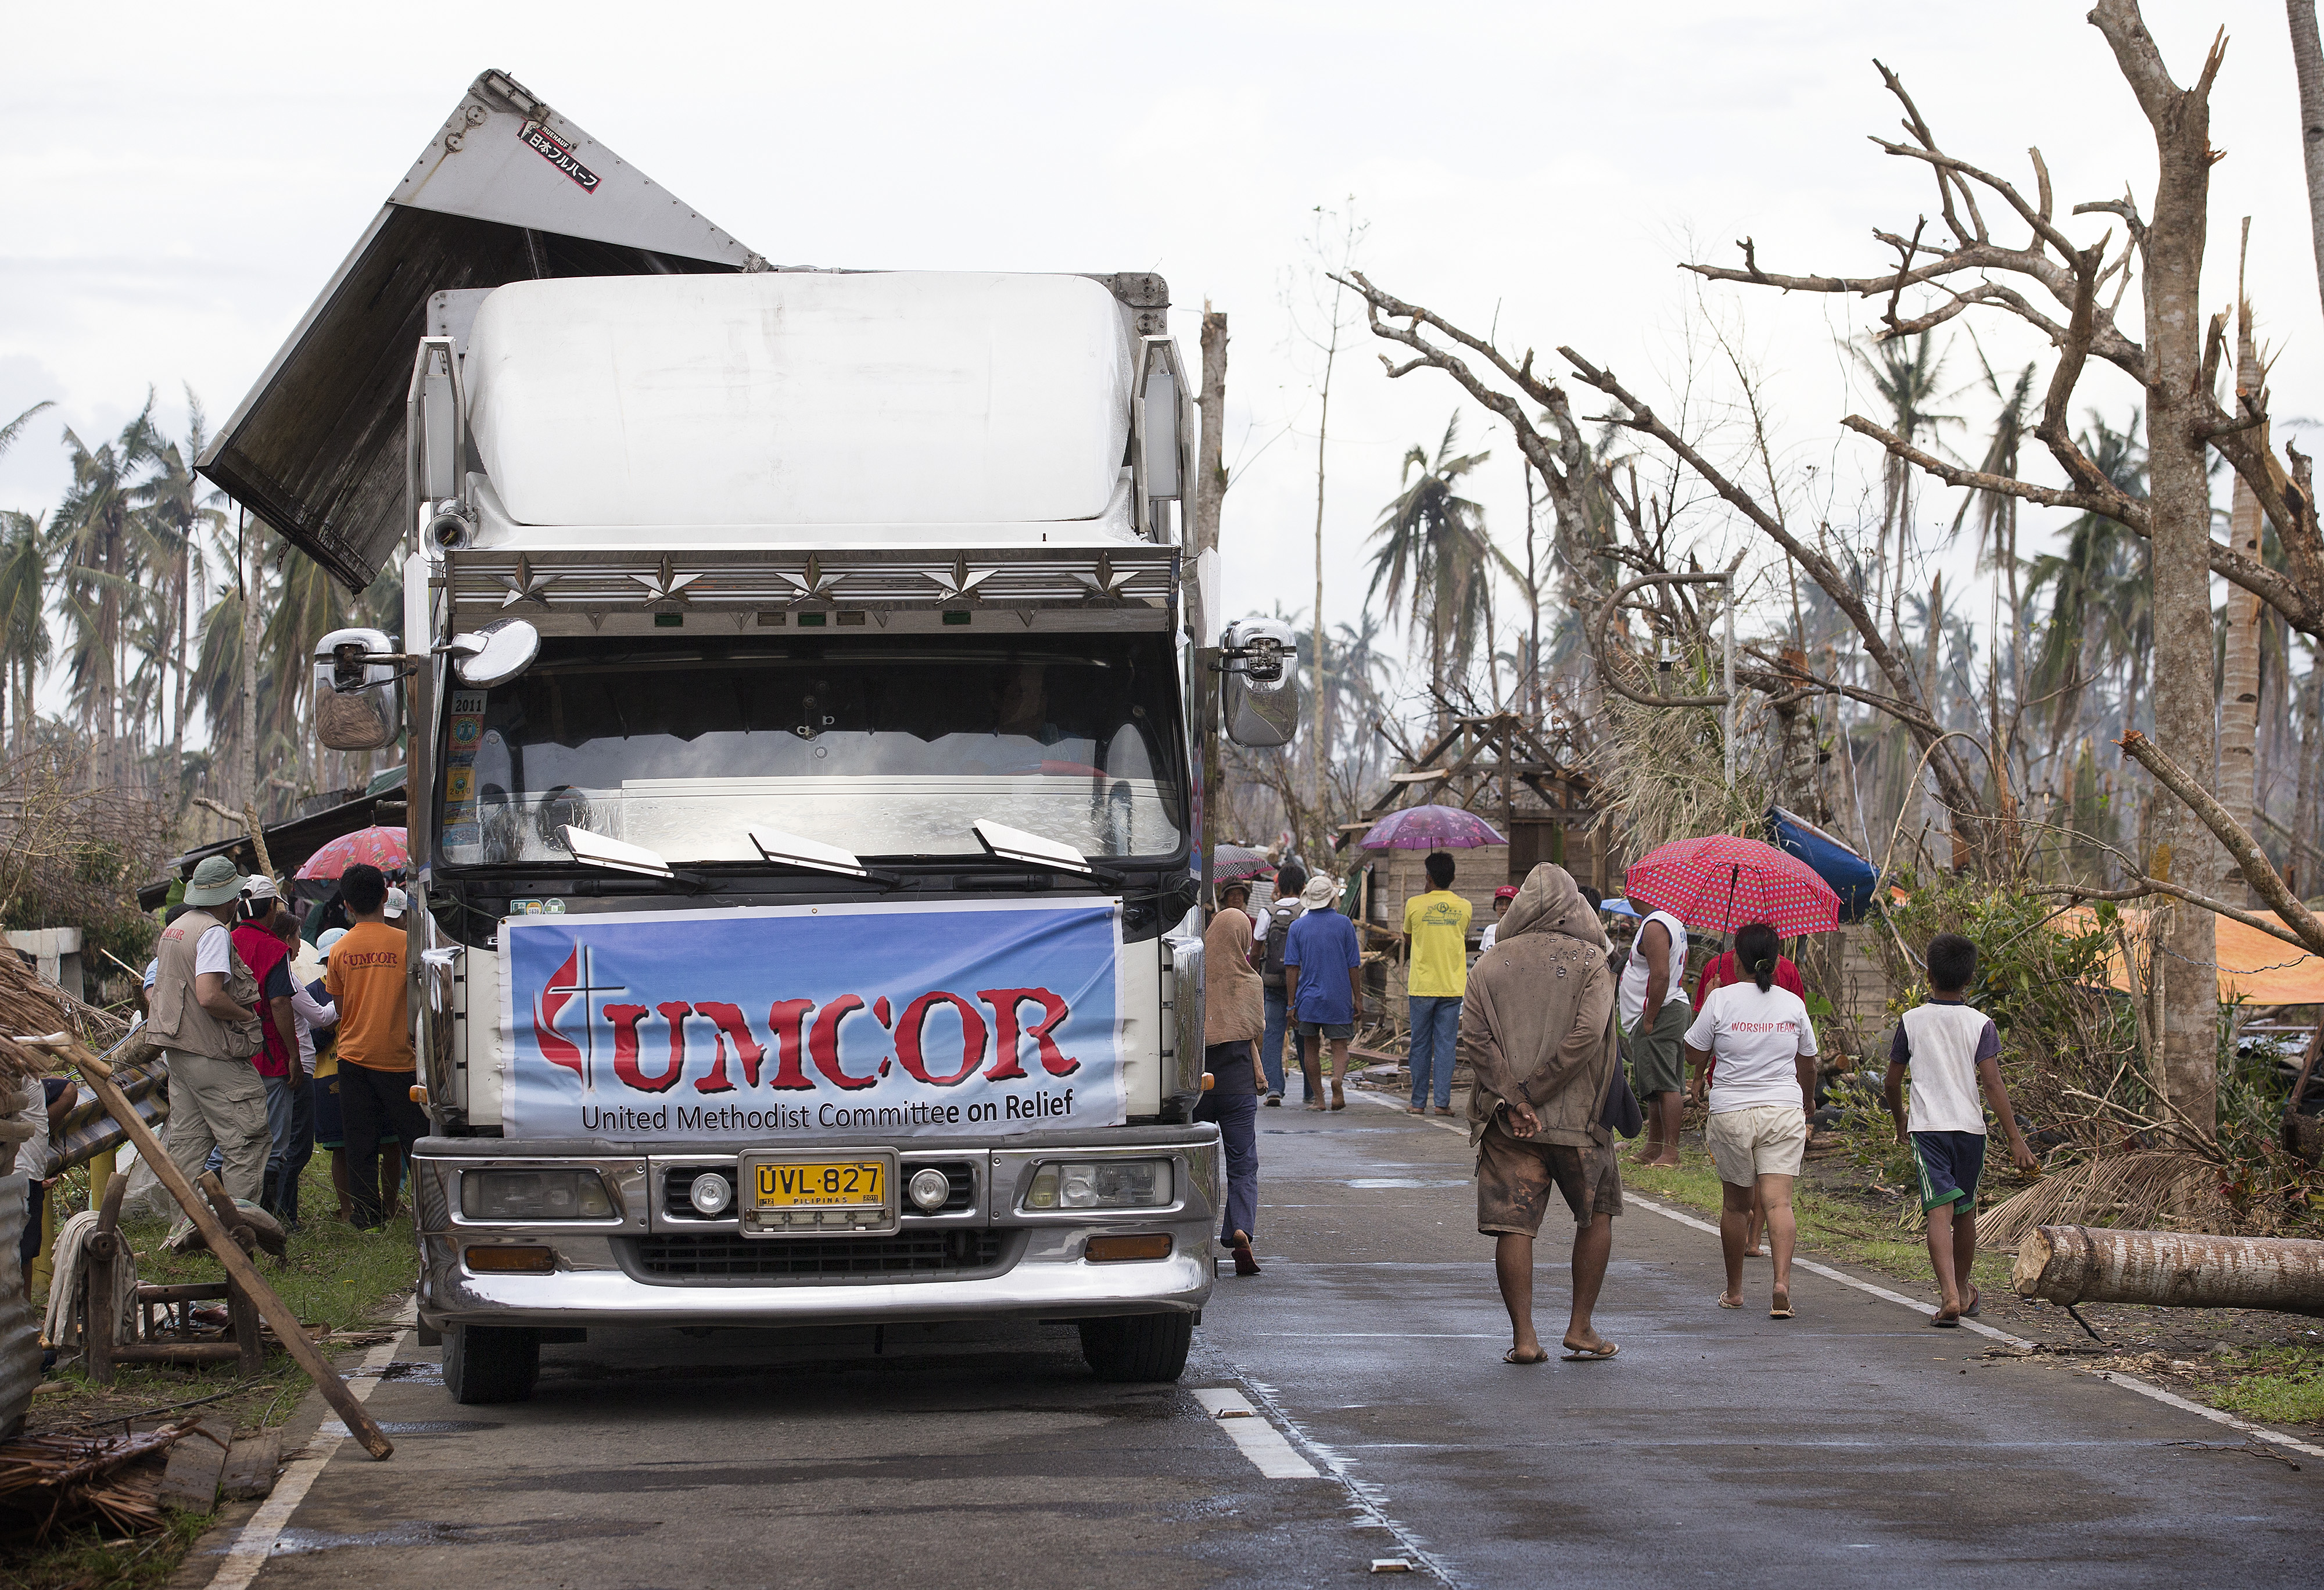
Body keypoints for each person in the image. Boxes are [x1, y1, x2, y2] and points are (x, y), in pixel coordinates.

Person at [1461, 863, 1623, 1364]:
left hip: (1508, 1124)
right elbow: (1587, 1036)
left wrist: (1516, 1096)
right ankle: (1581, 1326)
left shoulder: (1488, 965)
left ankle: (1525, 1339)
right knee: (1595, 1213)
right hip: (1579, 1121)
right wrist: (1539, 1089)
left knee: (1515, 1225)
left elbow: (1475, 1039)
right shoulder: (1594, 962)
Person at [1884, 932, 2038, 1326]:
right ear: (1970, 978)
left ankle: (1949, 1294)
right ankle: (1966, 1289)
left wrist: (1900, 1117)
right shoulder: (1981, 1024)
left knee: (1939, 1210)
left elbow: (1892, 1080)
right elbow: (1992, 1083)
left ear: (1928, 973)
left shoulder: (1911, 1020)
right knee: (1965, 1211)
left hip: (1929, 1129)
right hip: (1971, 1131)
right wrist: (2016, 1139)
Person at [1684, 921, 1817, 1319]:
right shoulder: (1792, 1004)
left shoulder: (1720, 999)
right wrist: (1808, 1099)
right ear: (1776, 960)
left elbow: (1693, 1056)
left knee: (1736, 1205)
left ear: (1735, 958)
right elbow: (1807, 1062)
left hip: (1732, 1112)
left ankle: (1735, 1290)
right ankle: (1781, 1283)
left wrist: (1708, 999)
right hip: (1783, 1109)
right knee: (1779, 1202)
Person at [145, 855, 272, 1203]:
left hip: (180, 1053)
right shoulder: (214, 932)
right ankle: (239, 1231)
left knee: (189, 1143)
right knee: (247, 1141)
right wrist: (245, 1017)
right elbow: (209, 996)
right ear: (230, 898)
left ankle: (186, 1230)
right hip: (212, 1053)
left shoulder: (177, 927)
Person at [324, 863, 427, 1229]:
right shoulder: (407, 945)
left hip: (353, 1057)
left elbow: (339, 1008)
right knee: (416, 1140)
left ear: (347, 905)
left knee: (360, 1142)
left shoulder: (339, 950)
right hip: (400, 1058)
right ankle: (428, 1211)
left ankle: (365, 1217)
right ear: (385, 896)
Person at [1200, 878, 1268, 1276]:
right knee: (1242, 1164)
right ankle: (1241, 1227)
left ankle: (1198, 1241)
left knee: (1200, 1165)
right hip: (1239, 1085)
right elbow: (1255, 1031)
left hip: (1199, 1086)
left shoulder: (1191, 978)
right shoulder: (1250, 982)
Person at [232, 877, 304, 1221]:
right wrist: (293, 1056)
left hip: (231, 1055)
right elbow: (279, 1002)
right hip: (270, 1055)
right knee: (275, 1145)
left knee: (233, 1140)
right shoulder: (274, 948)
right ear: (272, 909)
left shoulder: (227, 941)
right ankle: (268, 1221)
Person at [1619, 900, 1692, 1168]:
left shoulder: (1656, 925)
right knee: (1653, 1085)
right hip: (1662, 1010)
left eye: (1632, 890)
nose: (1629, 896)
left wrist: (1650, 1018)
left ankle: (1670, 1152)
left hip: (1658, 1012)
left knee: (1666, 1084)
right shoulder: (1671, 922)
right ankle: (1654, 1147)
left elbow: (1661, 975)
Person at [1402, 851, 1473, 1118]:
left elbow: (1408, 938)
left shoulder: (1414, 904)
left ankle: (1418, 1102)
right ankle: (1442, 1103)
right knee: (1446, 1046)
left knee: (1420, 1044)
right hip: (1452, 986)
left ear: (1428, 877)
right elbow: (1462, 935)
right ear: (1453, 877)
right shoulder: (1464, 907)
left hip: (1422, 985)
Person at [1283, 874, 1361, 1112]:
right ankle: (1337, 1079)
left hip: (1308, 999)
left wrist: (1290, 1004)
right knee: (1340, 1047)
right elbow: (1353, 965)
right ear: (1332, 899)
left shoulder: (1297, 927)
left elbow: (1292, 968)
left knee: (1310, 1048)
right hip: (1338, 997)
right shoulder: (1345, 924)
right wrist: (1358, 998)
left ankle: (1319, 1100)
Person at [1253, 862, 1308, 1107]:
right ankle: (1311, 1092)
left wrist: (1255, 975)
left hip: (1272, 982)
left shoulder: (1267, 912)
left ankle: (1273, 1088)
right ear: (1303, 886)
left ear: (1279, 885)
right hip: (1300, 985)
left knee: (1273, 1035)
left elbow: (1256, 950)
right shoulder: (1306, 912)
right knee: (1305, 1036)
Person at [17, 1071, 76, 1289]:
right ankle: (21, 1315)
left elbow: (67, 1090)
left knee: (23, 1252)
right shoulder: (24, 1075)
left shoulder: (22, 1076)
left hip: (24, 1176)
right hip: (24, 1176)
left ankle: (21, 1316)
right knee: (22, 1252)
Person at [1477, 884, 1519, 954]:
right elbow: (1482, 957)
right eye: (1500, 904)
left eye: (1509, 904)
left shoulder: (1521, 930)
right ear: (1495, 906)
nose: (1504, 908)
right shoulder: (1490, 929)